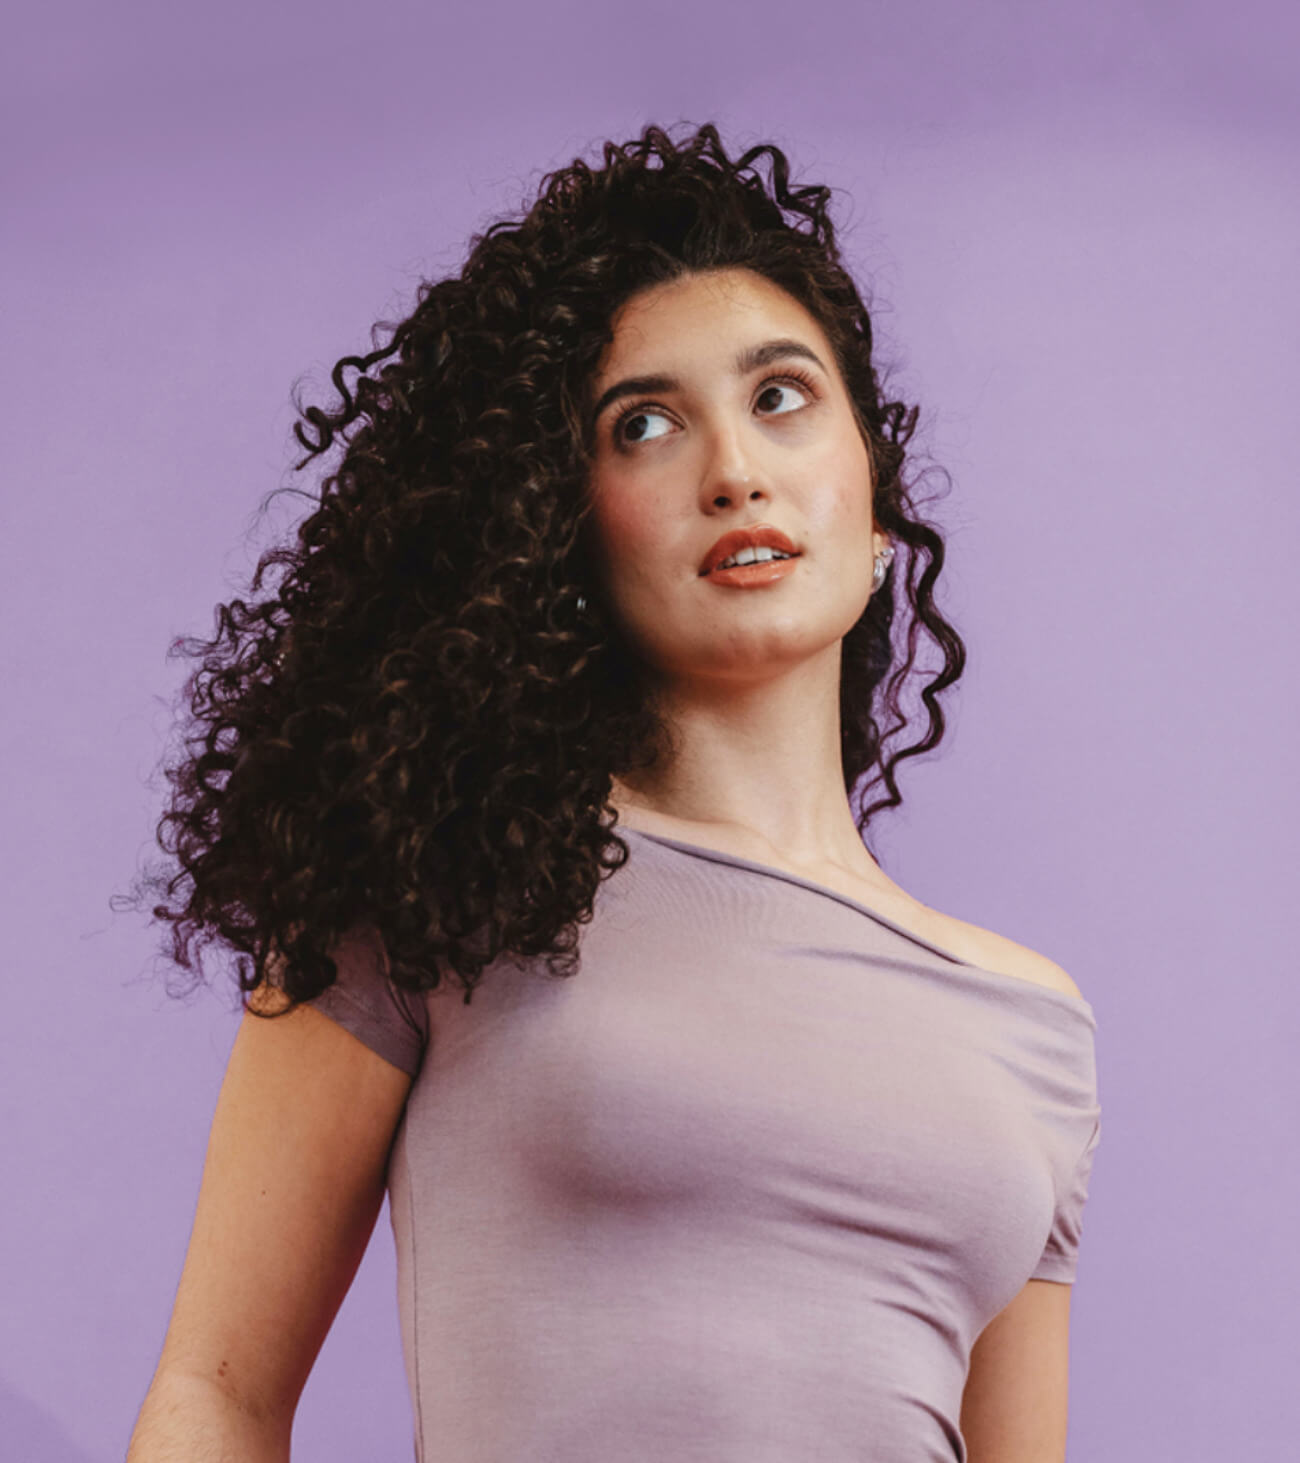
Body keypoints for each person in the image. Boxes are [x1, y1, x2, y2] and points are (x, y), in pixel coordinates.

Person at [124, 121, 1101, 1463]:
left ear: (874, 508)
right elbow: (216, 1399)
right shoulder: (442, 881)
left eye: (781, 398)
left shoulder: (1032, 1029)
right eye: (645, 424)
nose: (734, 471)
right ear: (558, 521)